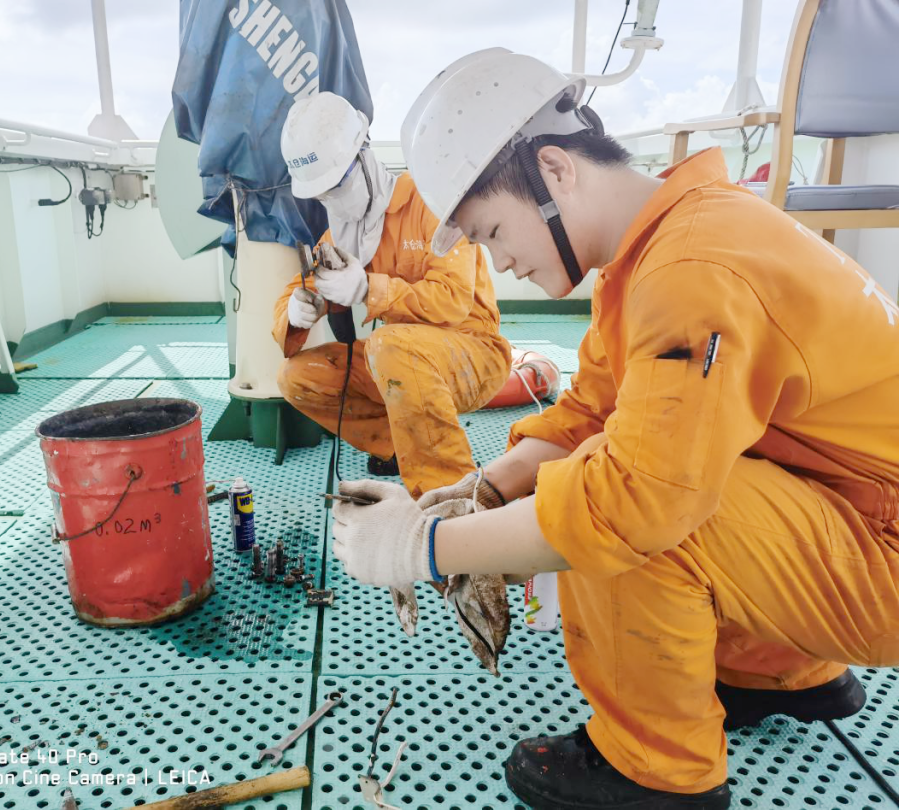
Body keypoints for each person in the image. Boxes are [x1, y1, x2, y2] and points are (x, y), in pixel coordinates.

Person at [330, 49, 899, 809]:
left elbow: (632, 501)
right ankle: (771, 672)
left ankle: (655, 768)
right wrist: (481, 491)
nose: (501, 262)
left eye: (492, 231)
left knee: (630, 495)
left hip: (883, 551)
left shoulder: (691, 271)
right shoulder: (669, 243)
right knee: (640, 452)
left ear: (555, 170)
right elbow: (591, 407)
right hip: (857, 510)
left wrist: (422, 546)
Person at [273, 91, 511, 498]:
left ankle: (450, 496)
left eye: (337, 185)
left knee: (388, 345)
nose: (332, 200)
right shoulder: (346, 232)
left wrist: (369, 289)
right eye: (321, 194)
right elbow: (298, 289)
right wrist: (295, 311)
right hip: (398, 357)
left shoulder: (429, 203)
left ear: (364, 153)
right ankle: (399, 445)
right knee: (298, 376)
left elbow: (453, 299)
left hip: (473, 354)